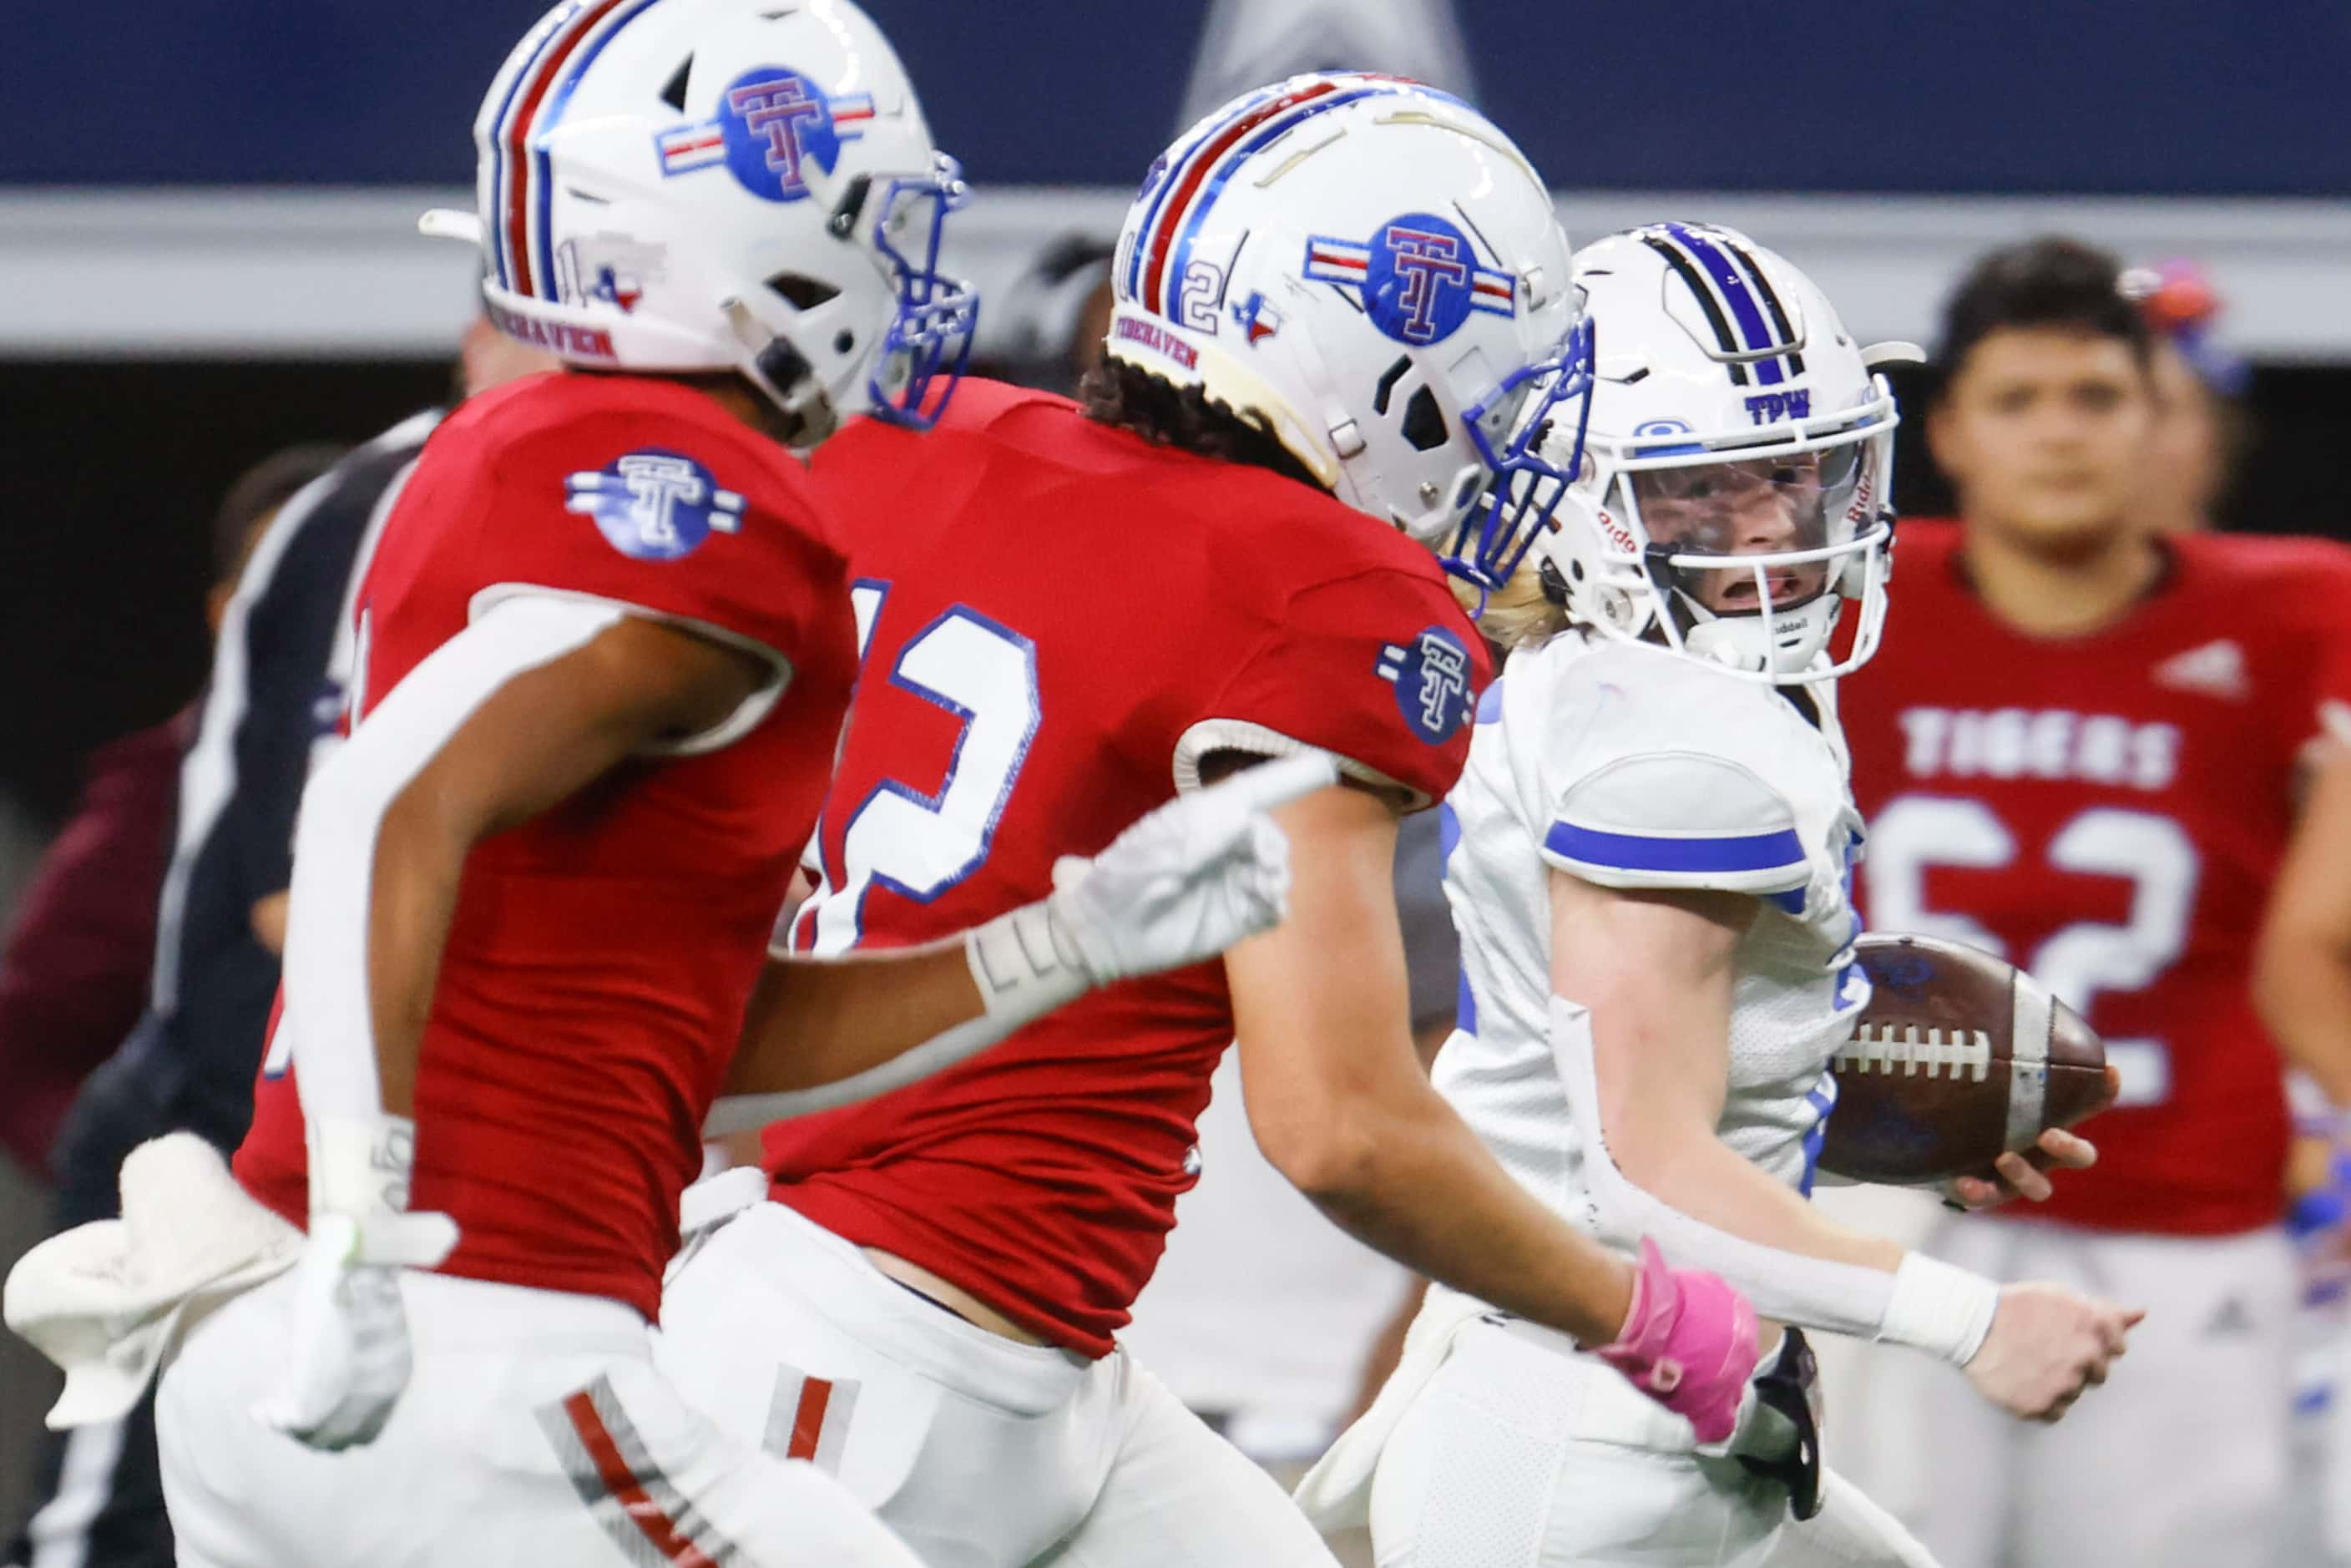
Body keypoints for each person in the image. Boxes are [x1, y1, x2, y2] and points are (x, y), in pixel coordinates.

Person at [5, 4, 1312, 1565]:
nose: (899, 277)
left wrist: (1072, 940)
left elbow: (690, 1037)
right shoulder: (710, 508)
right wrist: (362, 1234)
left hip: (302, 1344)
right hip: (467, 1344)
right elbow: (374, 812)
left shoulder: (497, 455)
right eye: (868, 225)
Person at [651, 76, 1759, 1568]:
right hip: (869, 1371)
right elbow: (1340, 1124)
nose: (1510, 441)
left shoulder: (944, 439)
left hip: (976, 1345)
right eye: (1501, 387)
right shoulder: (1317, 591)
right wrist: (1647, 1322)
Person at [1287, 223, 2137, 1568]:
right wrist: (1966, 1319)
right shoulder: (1683, 742)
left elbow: (1601, 1090)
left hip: (1630, 1406)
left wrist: (1826, 1108)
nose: (1763, 531)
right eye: (1699, 489)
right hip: (1589, 1428)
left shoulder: (1612, 680)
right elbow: (1644, 1176)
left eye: (1796, 475)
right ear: (1579, 499)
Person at [1839, 235, 2351, 1568]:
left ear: (2161, 419)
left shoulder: (2303, 614)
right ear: (1947, 430)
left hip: (2179, 1218)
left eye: (2097, 397)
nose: (2059, 434)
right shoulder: (1843, 608)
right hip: (1882, 1211)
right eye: (2018, 401)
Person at [1, 442, 345, 1568]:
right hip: (205, 1185)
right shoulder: (173, 779)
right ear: (226, 610)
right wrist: (141, 1182)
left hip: (354, 1213)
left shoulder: (439, 763)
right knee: (121, 1521)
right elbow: (28, 1024)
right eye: (284, 582)